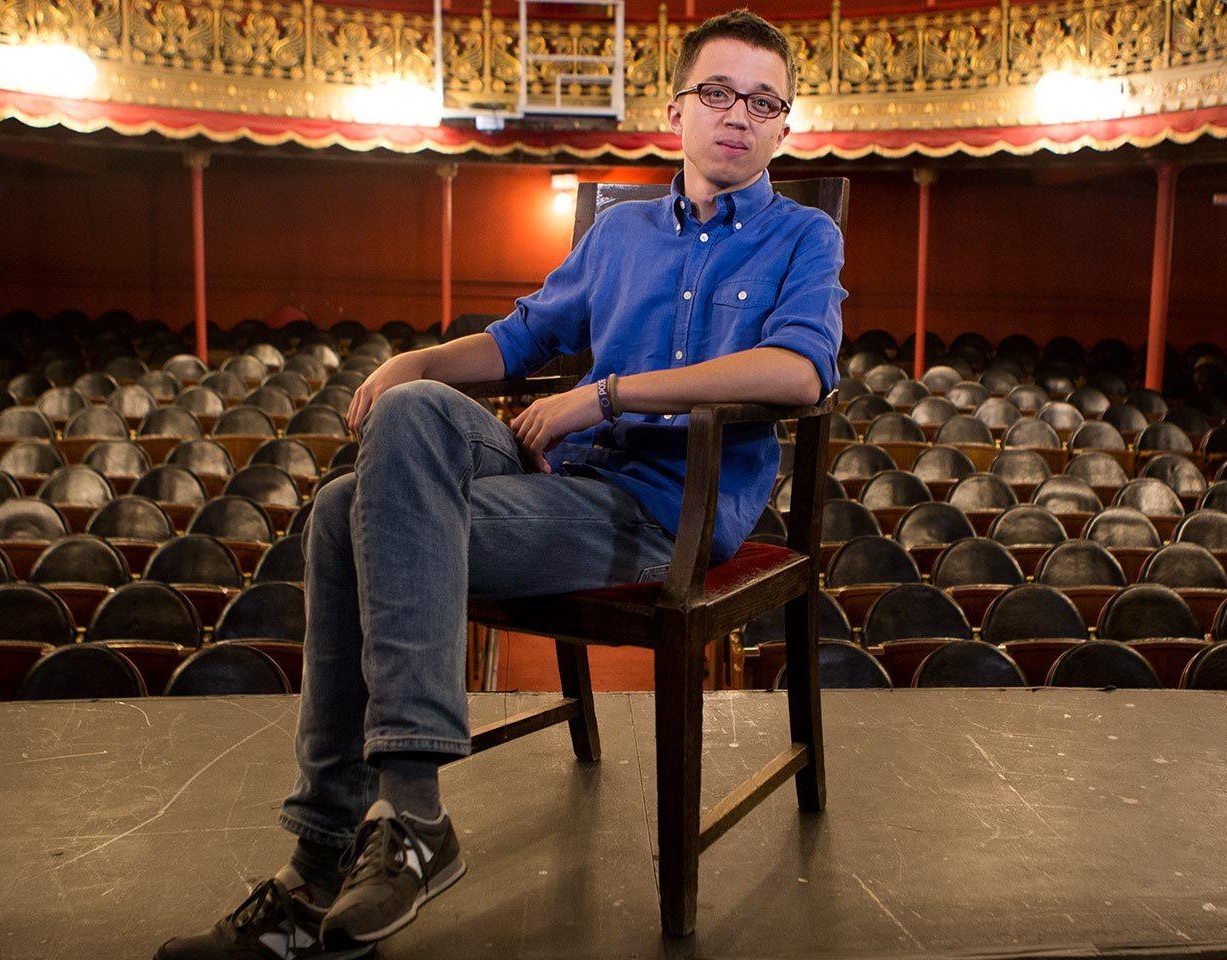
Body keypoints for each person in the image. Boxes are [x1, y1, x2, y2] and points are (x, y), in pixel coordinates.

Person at [156, 9, 845, 959]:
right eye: (719, 92)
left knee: (343, 514)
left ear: (783, 127)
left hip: (663, 516)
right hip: (563, 481)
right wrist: (416, 361)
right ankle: (405, 827)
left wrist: (604, 394)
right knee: (406, 416)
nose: (739, 115)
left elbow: (799, 373)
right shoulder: (622, 232)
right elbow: (519, 341)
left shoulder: (804, 235)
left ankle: (328, 858)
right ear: (676, 110)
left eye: (764, 102)